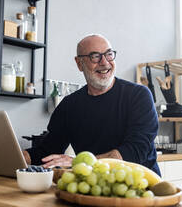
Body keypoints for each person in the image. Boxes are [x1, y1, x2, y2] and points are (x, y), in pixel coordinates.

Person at [22, 34, 160, 175]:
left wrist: (78, 163)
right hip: (94, 187)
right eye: (95, 56)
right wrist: (14, 156)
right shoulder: (70, 105)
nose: (105, 62)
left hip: (142, 187)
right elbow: (47, 151)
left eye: (109, 54)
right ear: (79, 63)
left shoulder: (138, 95)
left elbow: (135, 151)